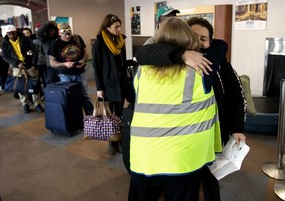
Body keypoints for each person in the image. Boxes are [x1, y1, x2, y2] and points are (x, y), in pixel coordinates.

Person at [135, 17, 247, 201]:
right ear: (185, 37)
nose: (198, 42)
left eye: (204, 38)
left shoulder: (215, 61)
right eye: (194, 37)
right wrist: (181, 54)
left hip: (209, 136)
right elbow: (143, 52)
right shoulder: (163, 61)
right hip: (184, 147)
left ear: (211, 40)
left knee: (211, 181)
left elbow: (236, 95)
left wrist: (237, 127)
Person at [92, 14, 128, 155]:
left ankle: (118, 140)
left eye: (120, 26)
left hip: (120, 83)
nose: (119, 29)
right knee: (109, 115)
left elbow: (122, 63)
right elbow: (97, 67)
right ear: (107, 27)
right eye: (116, 27)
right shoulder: (99, 44)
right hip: (108, 84)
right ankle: (111, 143)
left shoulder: (120, 41)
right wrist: (99, 88)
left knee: (118, 114)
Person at [49, 22, 94, 116]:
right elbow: (52, 62)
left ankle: (91, 120)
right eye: (65, 34)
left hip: (80, 73)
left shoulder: (77, 38)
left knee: (85, 96)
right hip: (65, 75)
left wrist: (82, 60)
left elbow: (86, 53)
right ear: (60, 33)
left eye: (69, 34)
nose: (67, 36)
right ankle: (75, 121)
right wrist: (64, 64)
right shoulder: (55, 44)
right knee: (70, 98)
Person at [1, 24, 44, 113]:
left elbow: (34, 51)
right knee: (21, 87)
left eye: (13, 33)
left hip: (30, 66)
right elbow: (5, 56)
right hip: (17, 67)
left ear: (16, 32)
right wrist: (16, 63)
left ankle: (37, 103)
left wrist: (34, 64)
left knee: (35, 85)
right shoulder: (5, 42)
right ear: (7, 34)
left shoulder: (25, 39)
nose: (11, 36)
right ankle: (25, 104)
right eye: (9, 34)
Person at [0, 28, 9, 93]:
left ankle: (3, 85)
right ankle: (2, 85)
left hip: (4, 58)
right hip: (3, 57)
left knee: (4, 72)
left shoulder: (3, 39)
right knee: (2, 73)